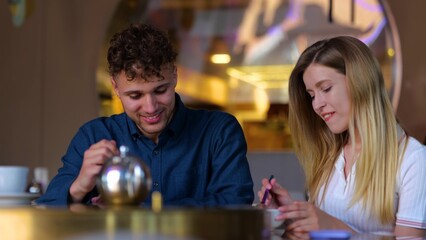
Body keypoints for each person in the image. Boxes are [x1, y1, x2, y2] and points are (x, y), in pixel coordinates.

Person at [36, 23, 254, 207]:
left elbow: (235, 205)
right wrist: (79, 186)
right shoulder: (93, 136)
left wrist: (136, 212)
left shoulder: (219, 132)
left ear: (175, 75)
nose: (150, 108)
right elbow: (47, 209)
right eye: (135, 95)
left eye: (160, 91)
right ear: (115, 87)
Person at [259, 36, 426, 238]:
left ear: (360, 82)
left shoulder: (413, 159)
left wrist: (330, 226)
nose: (316, 105)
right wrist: (294, 216)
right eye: (311, 95)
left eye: (326, 88)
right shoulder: (328, 159)